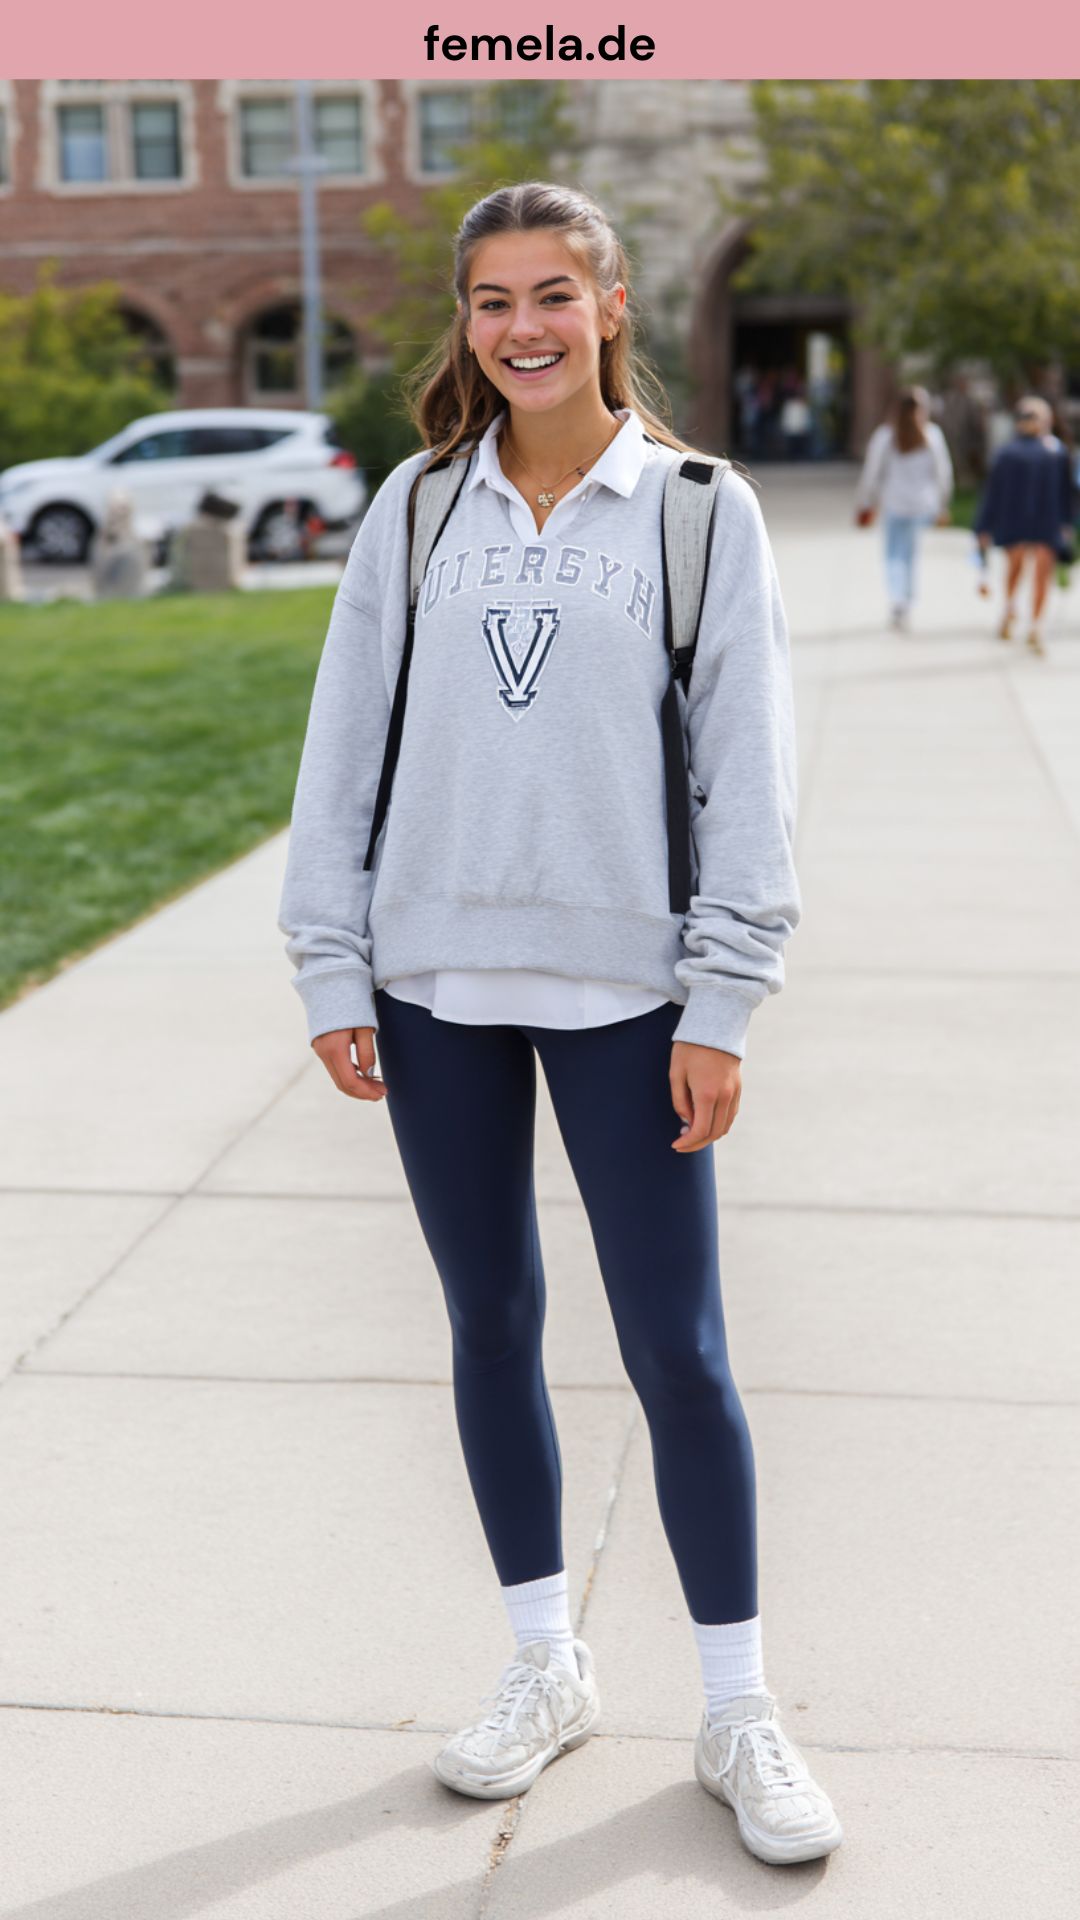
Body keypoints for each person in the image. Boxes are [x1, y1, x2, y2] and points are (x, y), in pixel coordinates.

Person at [278, 181, 842, 1868]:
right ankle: (545, 1665)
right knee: (489, 1325)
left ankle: (739, 1707)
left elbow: (753, 780)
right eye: (492, 301)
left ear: (607, 308)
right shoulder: (417, 511)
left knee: (680, 1354)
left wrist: (724, 998)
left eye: (553, 294)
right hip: (433, 988)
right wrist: (330, 964)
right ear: (466, 324)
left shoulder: (693, 512)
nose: (521, 326)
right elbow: (340, 754)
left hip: (631, 997)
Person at [974, 396, 1075, 657]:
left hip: (1037, 519)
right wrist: (983, 526)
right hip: (1029, 519)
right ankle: (1018, 614)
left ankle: (1032, 622)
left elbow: (1066, 493)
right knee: (1024, 569)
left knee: (1034, 571)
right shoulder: (1016, 453)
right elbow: (994, 492)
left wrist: (1066, 523)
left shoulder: (1053, 452)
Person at [854, 385, 954, 630]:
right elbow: (943, 473)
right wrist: (943, 503)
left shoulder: (885, 436)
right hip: (922, 504)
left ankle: (898, 600)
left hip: (895, 503)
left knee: (893, 556)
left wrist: (865, 501)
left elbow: (872, 473)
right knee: (910, 554)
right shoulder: (932, 435)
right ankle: (907, 600)